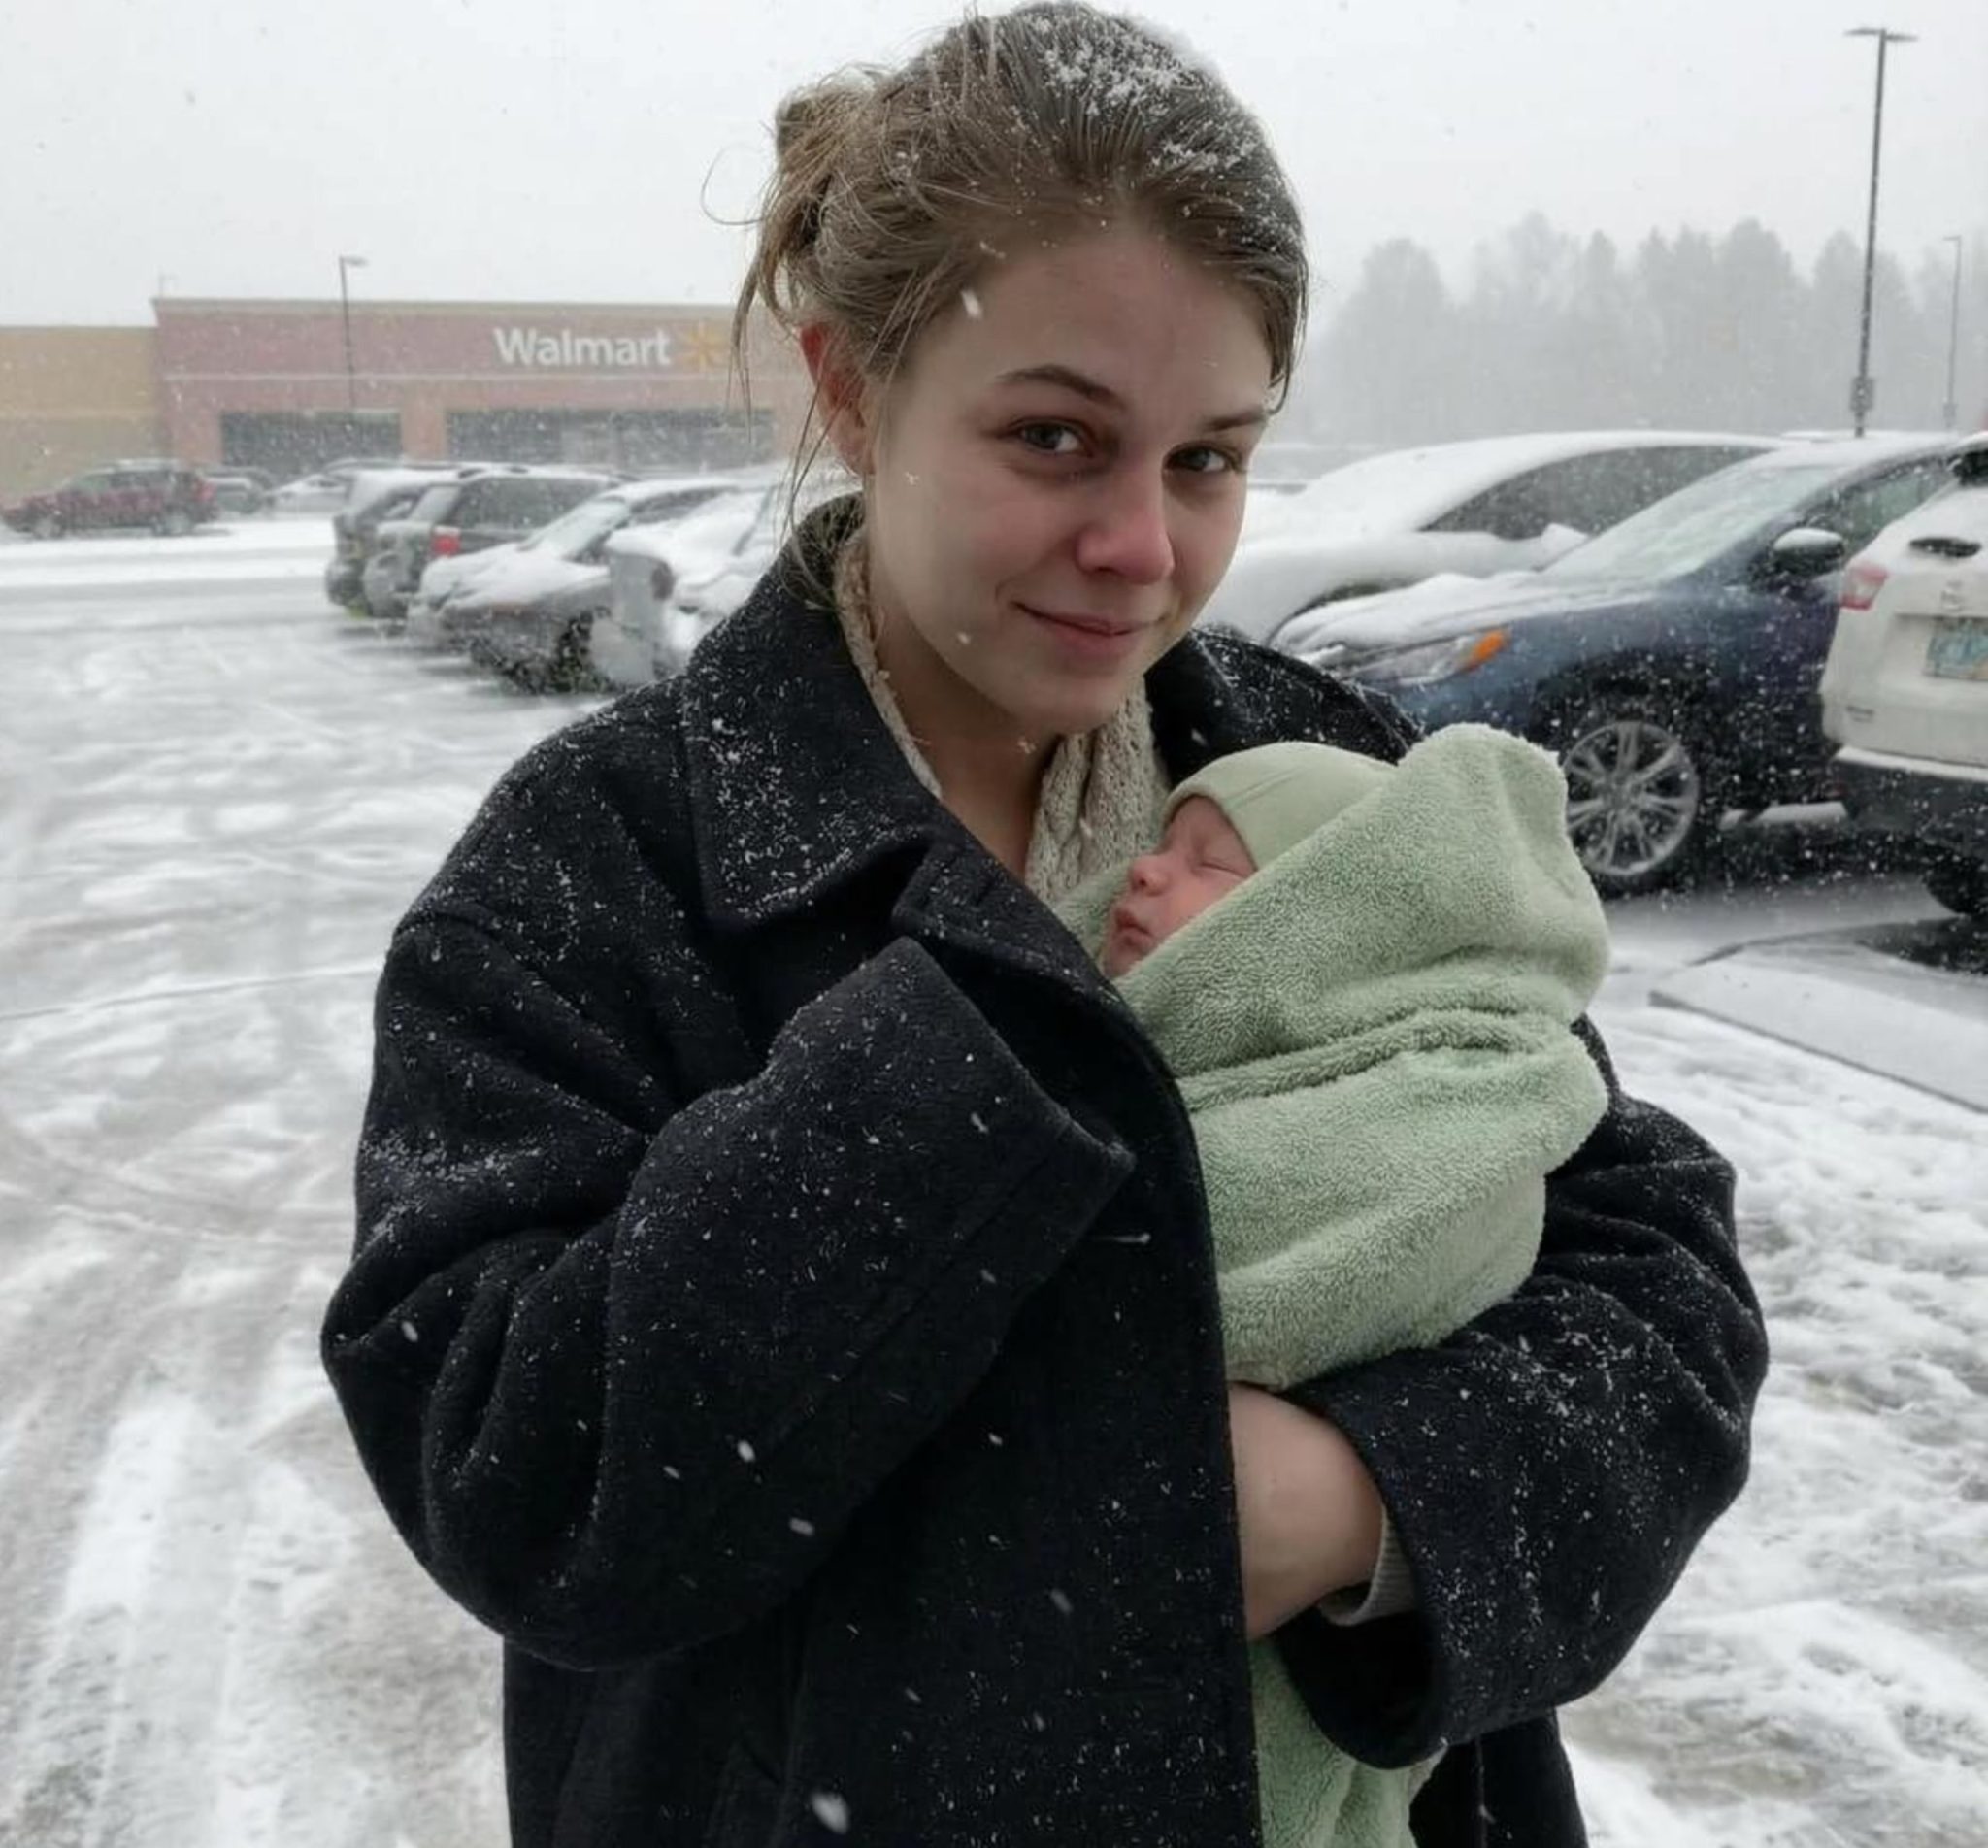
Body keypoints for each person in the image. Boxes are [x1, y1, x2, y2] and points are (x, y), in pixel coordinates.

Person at [320, 8, 1768, 1846]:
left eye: (1206, 459)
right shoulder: (607, 860)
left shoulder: (1311, 766)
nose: (1142, 547)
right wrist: (963, 1045)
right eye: (1058, 437)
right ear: (851, 388)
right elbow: (517, 1468)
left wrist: (1357, 1501)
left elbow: (1646, 1273)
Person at [1059, 729, 1613, 1844]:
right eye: (1160, 844)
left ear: (1330, 922)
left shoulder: (1432, 1100)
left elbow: (1190, 1280)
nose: (1145, 872)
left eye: (1212, 862)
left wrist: (1366, 1496)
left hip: (1257, 1712)